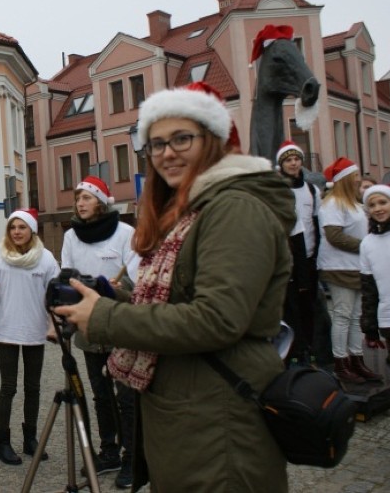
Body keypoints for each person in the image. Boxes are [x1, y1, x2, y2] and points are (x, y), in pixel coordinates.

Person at [53, 83, 295, 491]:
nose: (167, 152)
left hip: (219, 415)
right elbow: (175, 299)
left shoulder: (235, 208)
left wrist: (107, 316)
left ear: (213, 141)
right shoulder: (192, 212)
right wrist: (113, 297)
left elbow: (217, 320)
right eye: (157, 143)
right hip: (191, 409)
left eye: (182, 138)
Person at [0, 208, 59, 465]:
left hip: (34, 330)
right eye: (12, 227)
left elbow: (55, 297)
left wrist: (54, 327)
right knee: (8, 387)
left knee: (33, 388)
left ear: (32, 231)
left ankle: (30, 439)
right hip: (7, 330)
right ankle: (2, 444)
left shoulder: (47, 259)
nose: (16, 232)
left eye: (21, 227)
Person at [61, 176, 137, 488]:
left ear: (101, 202)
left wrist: (118, 288)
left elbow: (135, 280)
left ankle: (133, 456)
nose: (80, 203)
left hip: (119, 323)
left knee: (126, 397)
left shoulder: (125, 233)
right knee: (100, 394)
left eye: (87, 198)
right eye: (78, 198)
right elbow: (67, 276)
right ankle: (108, 451)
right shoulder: (70, 237)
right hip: (88, 325)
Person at [317, 157, 381, 384]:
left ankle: (357, 358)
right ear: (344, 179)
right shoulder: (333, 203)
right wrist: (365, 246)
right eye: (354, 176)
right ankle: (340, 362)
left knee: (355, 317)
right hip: (338, 266)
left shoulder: (353, 203)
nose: (357, 180)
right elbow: (334, 236)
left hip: (355, 266)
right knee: (343, 316)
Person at [359, 184, 390, 469]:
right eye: (372, 205)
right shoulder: (368, 244)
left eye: (383, 203)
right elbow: (369, 289)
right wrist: (369, 326)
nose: (378, 208)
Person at [276, 140, 323, 365]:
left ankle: (308, 349)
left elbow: (316, 223)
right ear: (281, 164)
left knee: (309, 307)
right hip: (288, 257)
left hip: (308, 256)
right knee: (290, 308)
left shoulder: (311, 190)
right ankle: (293, 352)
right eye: (289, 160)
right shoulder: (278, 189)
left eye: (297, 159)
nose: (294, 163)